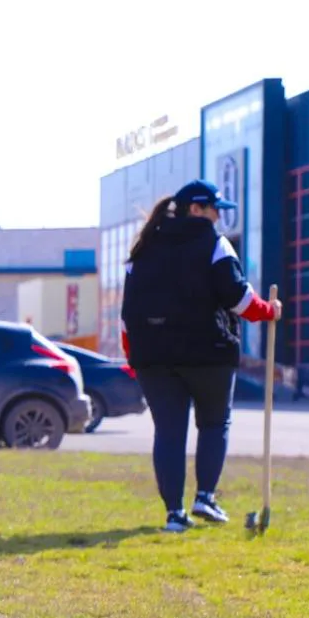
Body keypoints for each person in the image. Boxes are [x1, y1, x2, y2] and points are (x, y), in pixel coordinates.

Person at [121, 180, 282, 533]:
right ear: (197, 209)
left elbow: (127, 313)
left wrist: (135, 356)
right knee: (213, 423)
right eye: (214, 209)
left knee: (168, 432)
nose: (218, 217)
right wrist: (269, 311)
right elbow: (239, 300)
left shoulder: (144, 247)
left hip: (154, 359)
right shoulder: (214, 243)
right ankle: (205, 497)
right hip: (208, 353)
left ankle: (174, 515)